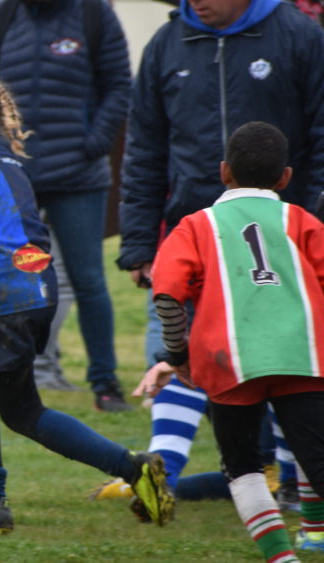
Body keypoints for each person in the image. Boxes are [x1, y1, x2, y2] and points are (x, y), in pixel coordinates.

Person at [0, 70, 173, 538]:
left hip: (0, 301)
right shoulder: (6, 158)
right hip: (38, 289)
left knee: (23, 413)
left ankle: (131, 469)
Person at [119, 0, 324, 497]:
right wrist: (139, 242)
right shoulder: (166, 43)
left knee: (286, 363)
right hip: (197, 236)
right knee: (184, 353)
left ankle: (289, 481)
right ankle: (170, 475)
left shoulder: (298, 36)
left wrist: (313, 215)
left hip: (281, 241)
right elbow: (144, 148)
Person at [0, 0, 132, 411]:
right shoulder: (3, 16)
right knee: (9, 276)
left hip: (80, 175)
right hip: (16, 174)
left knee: (88, 280)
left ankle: (105, 384)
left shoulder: (92, 16)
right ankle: (2, 374)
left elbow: (119, 86)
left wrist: (95, 142)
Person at [147, 121, 324, 560]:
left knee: (243, 469)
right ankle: (314, 530)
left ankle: (282, 559)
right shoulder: (301, 221)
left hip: (229, 363)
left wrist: (176, 352)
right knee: (314, 455)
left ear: (224, 172)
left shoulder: (195, 225)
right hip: (302, 355)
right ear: (285, 178)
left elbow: (167, 294)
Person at [32, 0, 120, 393]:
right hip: (54, 182)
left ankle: (52, 369)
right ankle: (42, 370)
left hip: (72, 180)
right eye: (109, 1)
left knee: (64, 278)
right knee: (57, 278)